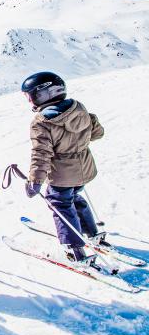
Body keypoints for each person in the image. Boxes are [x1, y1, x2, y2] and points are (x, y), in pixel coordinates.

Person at [21, 71, 105, 262]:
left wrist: (35, 181)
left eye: (30, 96)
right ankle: (91, 232)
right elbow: (97, 133)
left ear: (43, 94)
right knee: (74, 197)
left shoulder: (42, 122)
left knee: (60, 205)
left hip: (62, 174)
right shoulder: (79, 108)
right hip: (85, 168)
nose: (30, 101)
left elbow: (41, 154)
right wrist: (87, 121)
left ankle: (73, 249)